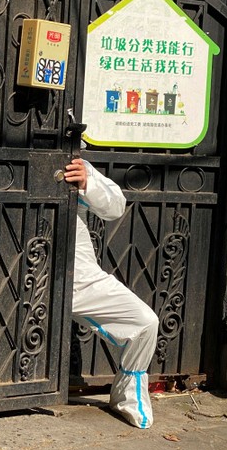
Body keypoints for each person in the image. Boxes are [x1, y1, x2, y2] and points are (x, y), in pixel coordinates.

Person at [63, 156, 159, 429]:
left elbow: (116, 206)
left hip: (78, 279)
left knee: (145, 323)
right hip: (17, 276)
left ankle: (127, 398)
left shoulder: (73, 161)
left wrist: (87, 182)